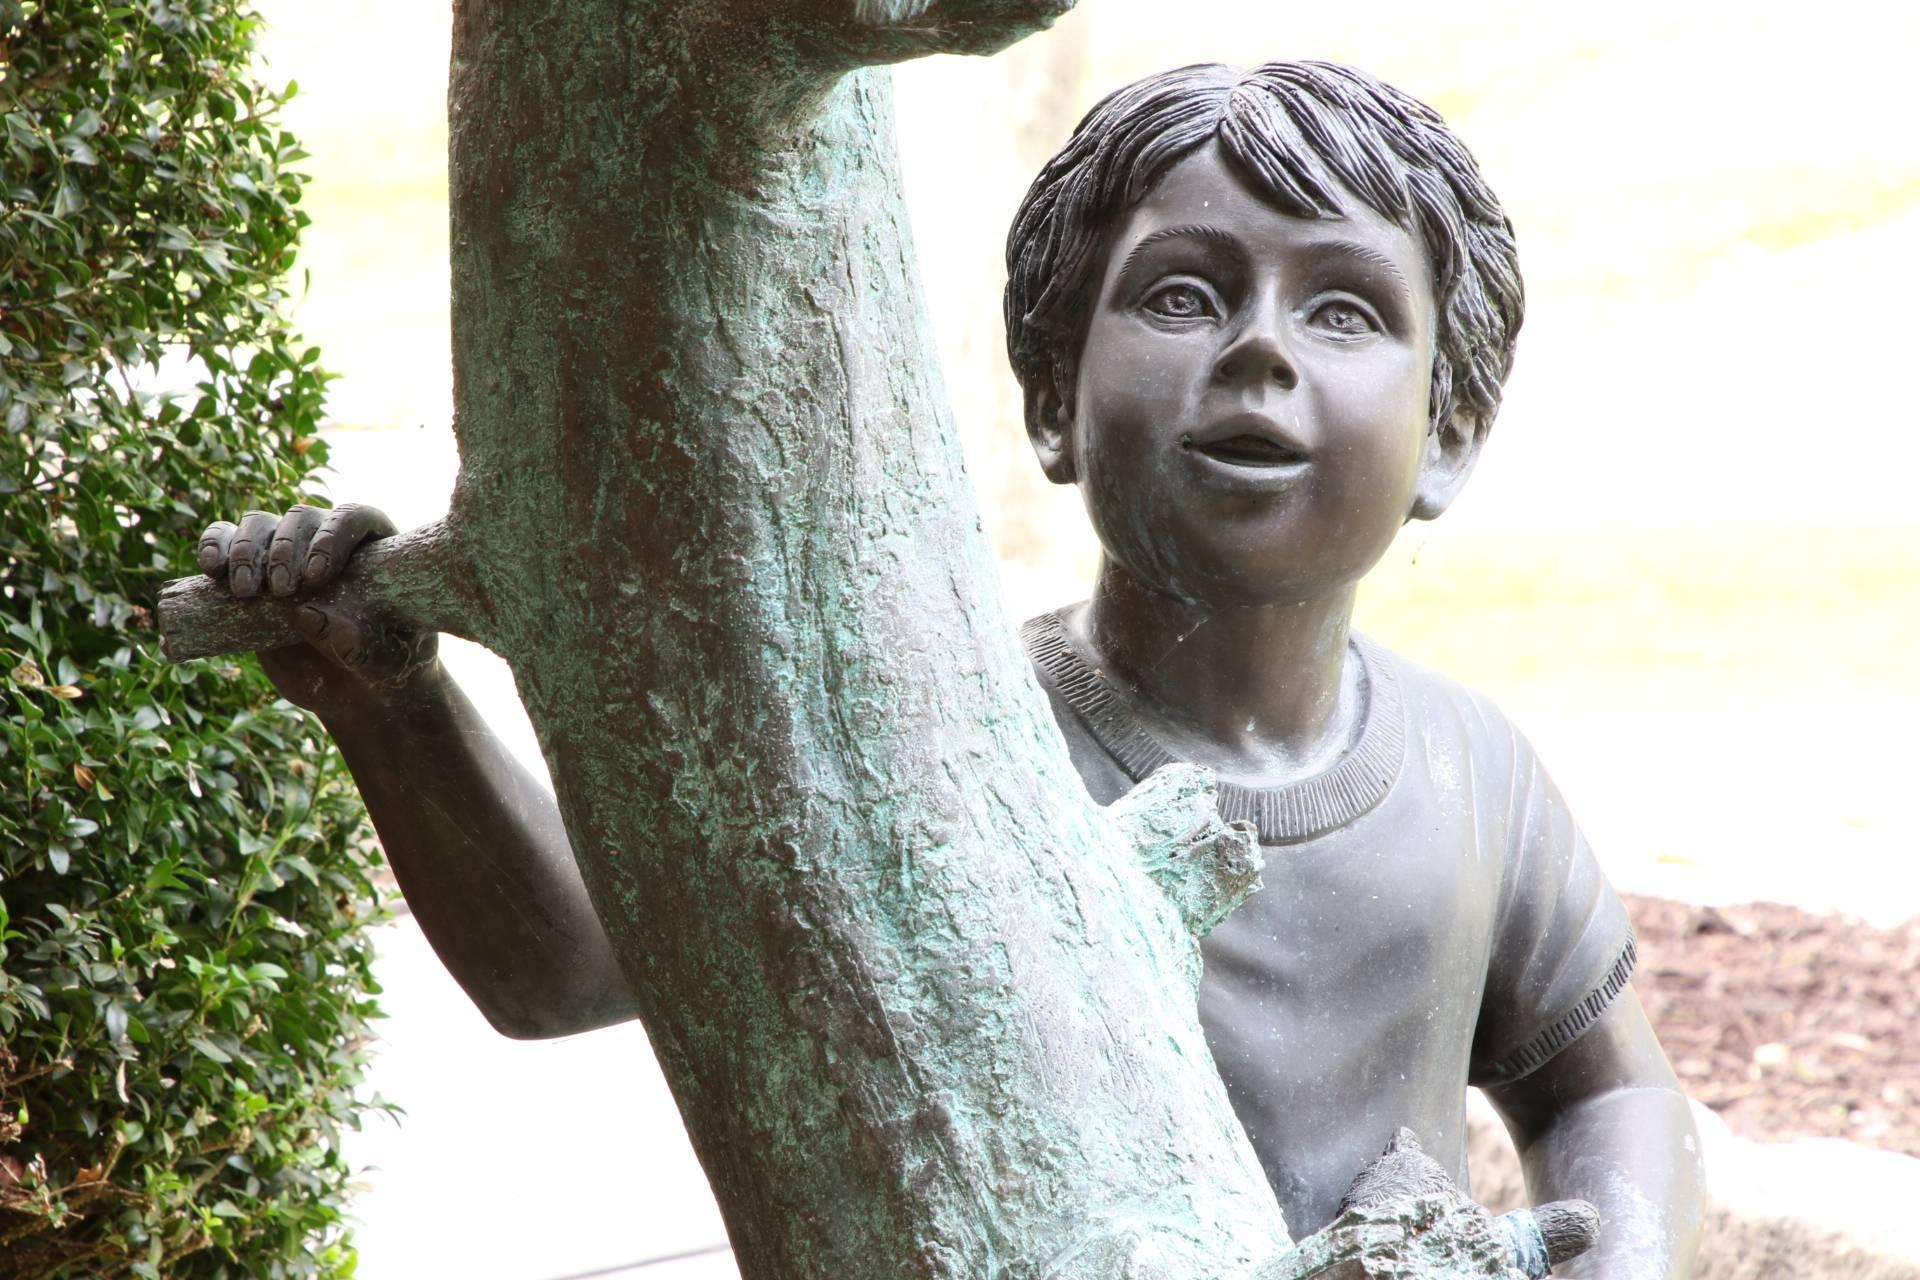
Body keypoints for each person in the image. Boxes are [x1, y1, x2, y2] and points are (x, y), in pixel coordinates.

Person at [197, 60, 1701, 1278]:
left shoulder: (1469, 771)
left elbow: (1614, 1091)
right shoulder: (929, 737)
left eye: (1344, 309)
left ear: (1448, 431)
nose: (1260, 352)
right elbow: (574, 968)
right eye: (1183, 295)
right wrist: (390, 703)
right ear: (1052, 395)